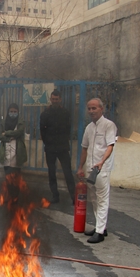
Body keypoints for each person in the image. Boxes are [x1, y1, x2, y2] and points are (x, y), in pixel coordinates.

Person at [76, 98, 117, 244]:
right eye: (89, 108)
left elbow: (110, 146)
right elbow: (84, 148)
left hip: (102, 169)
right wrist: (80, 167)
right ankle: (101, 227)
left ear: (101, 109)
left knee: (102, 199)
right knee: (93, 198)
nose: (91, 111)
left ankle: (99, 232)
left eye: (94, 108)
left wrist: (102, 161)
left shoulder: (109, 126)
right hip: (90, 169)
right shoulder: (89, 128)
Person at [40, 90, 76, 204]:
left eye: (57, 99)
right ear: (50, 100)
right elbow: (42, 130)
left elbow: (68, 129)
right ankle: (55, 196)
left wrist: (63, 141)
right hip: (50, 148)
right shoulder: (45, 114)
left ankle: (73, 196)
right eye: (53, 99)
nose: (55, 101)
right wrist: (48, 142)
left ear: (60, 99)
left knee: (68, 172)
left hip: (63, 147)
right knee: (52, 173)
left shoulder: (65, 113)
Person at [0, 103, 27, 175]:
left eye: (15, 112)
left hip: (17, 149)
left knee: (16, 171)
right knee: (7, 170)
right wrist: (8, 139)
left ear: (18, 112)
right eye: (11, 111)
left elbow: (19, 132)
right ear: (8, 112)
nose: (13, 113)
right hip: (6, 149)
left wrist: (6, 133)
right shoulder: (4, 122)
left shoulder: (20, 122)